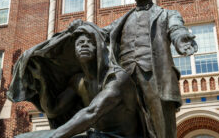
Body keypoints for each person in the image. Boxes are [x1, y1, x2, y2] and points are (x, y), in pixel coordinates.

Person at [70, 0, 197, 138]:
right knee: (127, 123)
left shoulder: (166, 14)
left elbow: (176, 29)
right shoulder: (122, 20)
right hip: (124, 77)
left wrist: (181, 40)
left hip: (154, 74)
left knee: (161, 123)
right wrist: (83, 26)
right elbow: (100, 34)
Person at [8, 22, 145, 138]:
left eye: (89, 43)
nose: (84, 45)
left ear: (99, 48)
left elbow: (92, 112)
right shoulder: (78, 81)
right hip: (95, 135)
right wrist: (42, 81)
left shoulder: (116, 78)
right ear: (74, 51)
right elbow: (53, 110)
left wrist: (54, 136)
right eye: (80, 43)